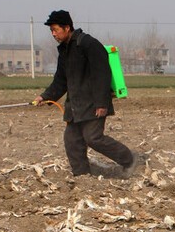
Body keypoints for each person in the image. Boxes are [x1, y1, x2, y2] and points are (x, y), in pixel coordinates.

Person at [33, 10, 138, 181]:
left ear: (67, 28)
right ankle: (82, 177)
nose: (53, 34)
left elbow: (102, 75)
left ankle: (130, 159)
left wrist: (102, 104)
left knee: (93, 138)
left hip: (94, 104)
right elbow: (60, 80)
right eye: (51, 31)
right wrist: (44, 97)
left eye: (55, 29)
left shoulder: (89, 44)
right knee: (72, 141)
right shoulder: (64, 51)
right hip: (75, 106)